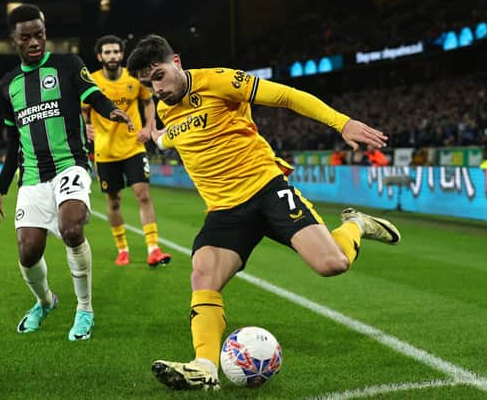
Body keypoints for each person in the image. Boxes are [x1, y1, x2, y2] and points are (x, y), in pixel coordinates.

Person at [126, 35, 401, 390]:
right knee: (203, 275)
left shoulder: (220, 80)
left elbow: (286, 96)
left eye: (159, 76)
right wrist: (153, 139)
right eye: (148, 84)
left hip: (266, 189)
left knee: (332, 265)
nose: (156, 88)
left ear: (176, 61)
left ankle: (356, 224)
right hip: (225, 211)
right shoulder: (165, 109)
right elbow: (173, 137)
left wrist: (341, 122)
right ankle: (204, 366)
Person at [0, 4, 132, 341]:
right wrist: (0, 189)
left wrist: (111, 110)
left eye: (39, 34)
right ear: (14, 40)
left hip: (70, 165)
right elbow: (14, 143)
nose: (35, 41)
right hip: (32, 177)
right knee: (27, 251)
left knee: (71, 229)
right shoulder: (7, 85)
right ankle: (46, 300)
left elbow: (93, 95)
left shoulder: (68, 64)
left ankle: (85, 309)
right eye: (27, 37)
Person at [82, 35, 171, 267]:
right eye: (107, 52)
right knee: (114, 202)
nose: (112, 56)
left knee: (143, 194)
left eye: (115, 52)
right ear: (100, 56)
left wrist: (149, 126)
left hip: (133, 147)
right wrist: (86, 126)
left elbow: (149, 101)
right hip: (105, 151)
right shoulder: (91, 81)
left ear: (121, 55)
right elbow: (83, 109)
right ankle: (122, 249)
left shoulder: (133, 79)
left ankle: (154, 248)